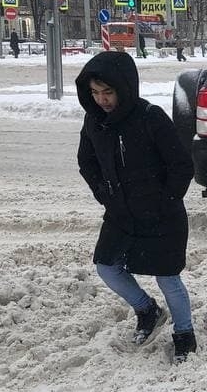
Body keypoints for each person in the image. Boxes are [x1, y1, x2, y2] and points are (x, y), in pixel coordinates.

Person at [76, 50, 198, 362]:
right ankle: (147, 310)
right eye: (95, 93)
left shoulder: (150, 118)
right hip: (120, 212)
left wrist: (166, 200)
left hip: (161, 214)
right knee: (107, 267)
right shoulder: (94, 122)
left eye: (108, 92)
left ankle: (185, 334)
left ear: (124, 88)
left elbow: (182, 165)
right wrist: (103, 193)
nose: (102, 100)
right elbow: (86, 161)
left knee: (167, 276)